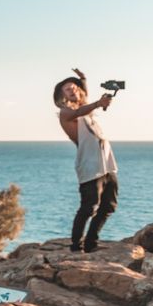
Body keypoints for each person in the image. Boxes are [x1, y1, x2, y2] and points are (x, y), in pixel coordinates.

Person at [53, 68, 118, 252]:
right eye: (67, 89)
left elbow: (85, 101)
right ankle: (76, 246)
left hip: (107, 164)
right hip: (90, 165)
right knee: (88, 207)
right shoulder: (65, 113)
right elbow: (81, 110)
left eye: (73, 87)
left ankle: (91, 243)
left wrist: (83, 79)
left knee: (109, 206)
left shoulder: (86, 109)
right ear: (61, 95)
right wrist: (99, 103)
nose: (72, 90)